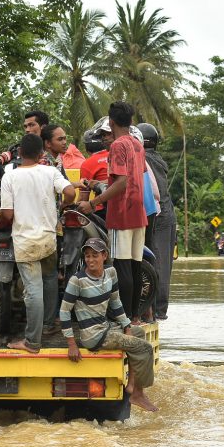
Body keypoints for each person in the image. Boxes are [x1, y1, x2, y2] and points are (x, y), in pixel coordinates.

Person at [0, 134, 75, 353]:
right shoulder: (50, 171)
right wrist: (62, 208)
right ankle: (48, 325)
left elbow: (8, 214)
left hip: (25, 241)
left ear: (19, 154)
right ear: (42, 154)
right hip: (48, 238)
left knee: (33, 290)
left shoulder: (10, 176)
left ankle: (32, 342)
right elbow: (70, 192)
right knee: (49, 281)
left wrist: (0, 213)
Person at [60, 237, 158, 412]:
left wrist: (127, 326)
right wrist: (71, 344)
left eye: (95, 255)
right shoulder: (78, 280)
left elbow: (116, 302)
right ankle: (138, 394)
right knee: (144, 348)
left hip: (106, 327)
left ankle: (132, 386)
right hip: (93, 335)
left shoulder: (111, 273)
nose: (90, 260)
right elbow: (64, 311)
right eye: (87, 256)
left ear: (104, 255)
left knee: (139, 333)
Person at [77, 101, 147, 323]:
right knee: (136, 265)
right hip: (139, 212)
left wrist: (93, 202)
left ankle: (124, 318)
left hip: (121, 212)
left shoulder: (118, 146)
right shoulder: (137, 144)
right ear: (131, 121)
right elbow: (138, 175)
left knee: (122, 266)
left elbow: (121, 183)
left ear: (111, 122)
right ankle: (135, 315)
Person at [139, 122, 176, 320]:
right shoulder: (157, 159)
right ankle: (159, 309)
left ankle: (156, 309)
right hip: (168, 213)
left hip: (158, 215)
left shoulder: (143, 158)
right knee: (163, 263)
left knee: (156, 261)